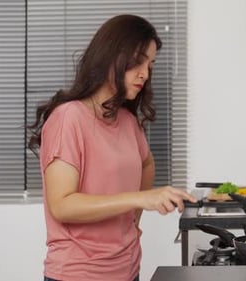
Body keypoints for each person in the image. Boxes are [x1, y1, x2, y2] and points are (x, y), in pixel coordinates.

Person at [28, 14, 197, 281]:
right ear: (110, 55)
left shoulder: (127, 121)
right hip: (78, 275)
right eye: (138, 61)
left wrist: (134, 219)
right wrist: (139, 198)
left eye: (150, 65)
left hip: (128, 270)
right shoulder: (68, 118)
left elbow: (146, 163)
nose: (145, 73)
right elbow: (61, 205)